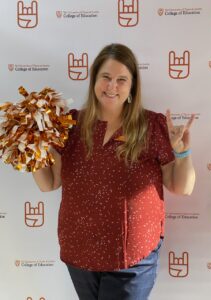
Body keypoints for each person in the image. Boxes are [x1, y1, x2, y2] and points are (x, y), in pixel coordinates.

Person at [32, 43, 195, 300]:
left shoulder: (151, 125)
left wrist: (183, 153)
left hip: (133, 259)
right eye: (106, 77)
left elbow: (182, 187)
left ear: (132, 87)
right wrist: (34, 149)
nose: (112, 86)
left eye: (121, 80)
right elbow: (48, 183)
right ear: (94, 80)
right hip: (80, 253)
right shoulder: (70, 125)